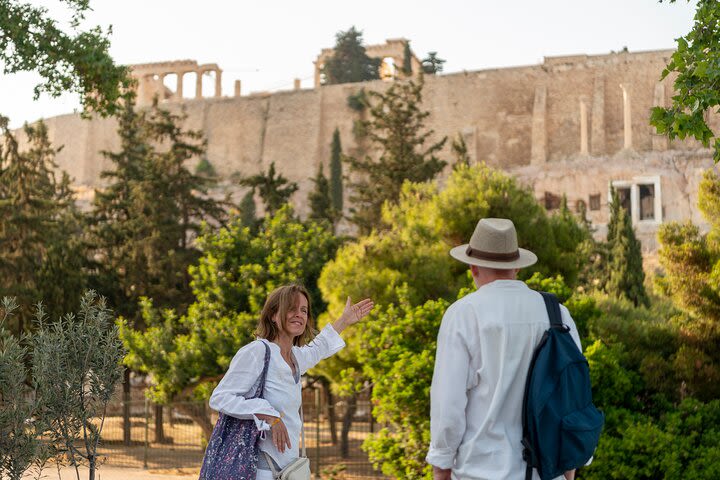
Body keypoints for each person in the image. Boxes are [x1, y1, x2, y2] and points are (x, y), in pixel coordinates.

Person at [426, 218, 581, 480]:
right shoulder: (557, 314)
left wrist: (441, 467)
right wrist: (569, 469)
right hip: (546, 473)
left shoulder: (464, 314)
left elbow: (448, 405)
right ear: (516, 268)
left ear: (473, 267)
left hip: (480, 472)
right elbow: (572, 396)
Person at [209, 284, 374, 480]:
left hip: (288, 469)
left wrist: (344, 321)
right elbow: (220, 398)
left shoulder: (295, 357)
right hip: (260, 469)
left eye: (303, 310)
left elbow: (318, 347)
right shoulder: (258, 351)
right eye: (292, 308)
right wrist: (270, 415)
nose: (299, 314)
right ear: (273, 314)